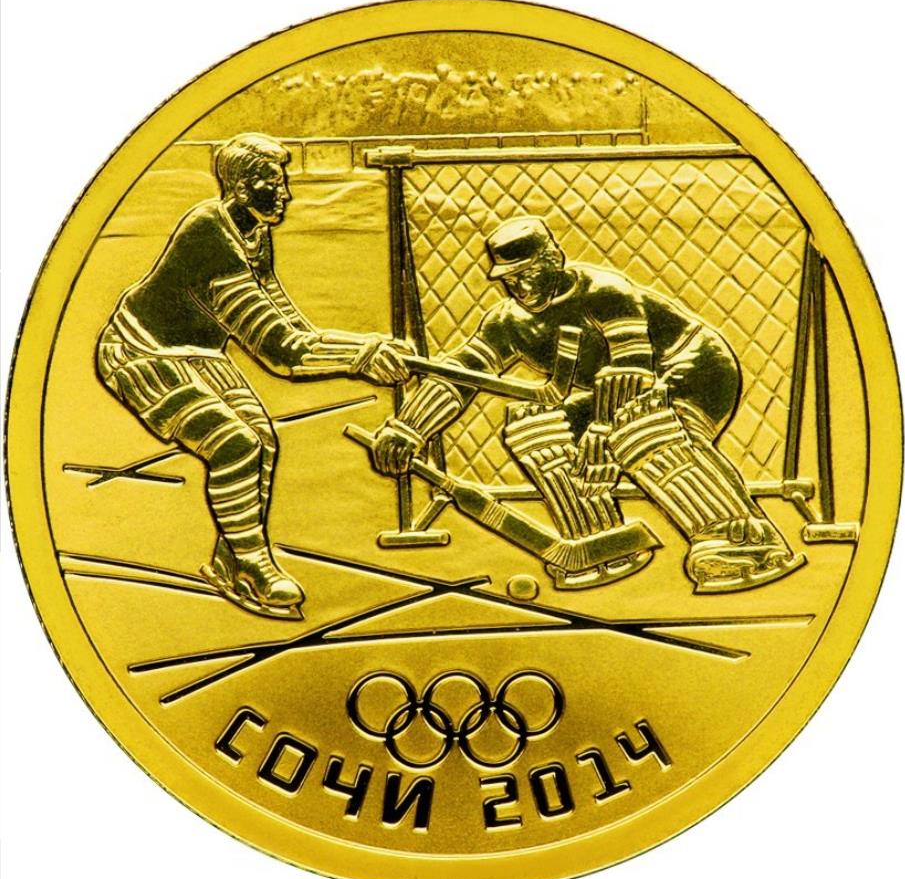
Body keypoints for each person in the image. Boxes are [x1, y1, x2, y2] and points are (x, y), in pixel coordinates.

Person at [370, 216, 803, 593]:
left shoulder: (605, 291)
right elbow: (462, 374)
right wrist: (408, 428)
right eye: (509, 278)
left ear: (554, 261)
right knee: (534, 429)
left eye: (527, 274)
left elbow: (632, 369)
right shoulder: (507, 322)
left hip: (691, 369)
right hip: (608, 390)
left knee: (637, 427)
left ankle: (739, 536)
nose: (519, 287)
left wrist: (599, 432)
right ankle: (601, 539)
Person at [97, 133, 411, 618]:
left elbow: (287, 320)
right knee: (234, 444)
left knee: (263, 439)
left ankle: (232, 556)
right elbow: (278, 351)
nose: (285, 193)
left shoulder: (254, 232)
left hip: (201, 354)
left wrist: (361, 347)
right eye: (273, 183)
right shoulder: (209, 234)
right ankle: (251, 561)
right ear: (242, 188)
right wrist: (361, 357)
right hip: (143, 353)